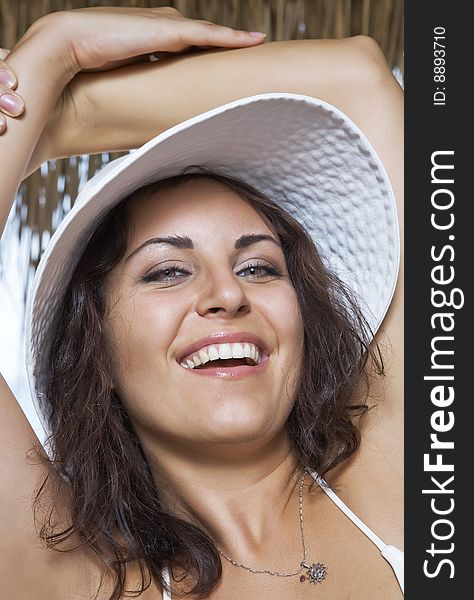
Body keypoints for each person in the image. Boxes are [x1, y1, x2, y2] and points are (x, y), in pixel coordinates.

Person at [0, 6, 404, 600]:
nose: (226, 294)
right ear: (99, 351)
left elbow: (358, 82)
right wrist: (56, 49)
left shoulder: (404, 475)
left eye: (259, 266)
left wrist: (61, 117)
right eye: (167, 272)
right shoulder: (80, 581)